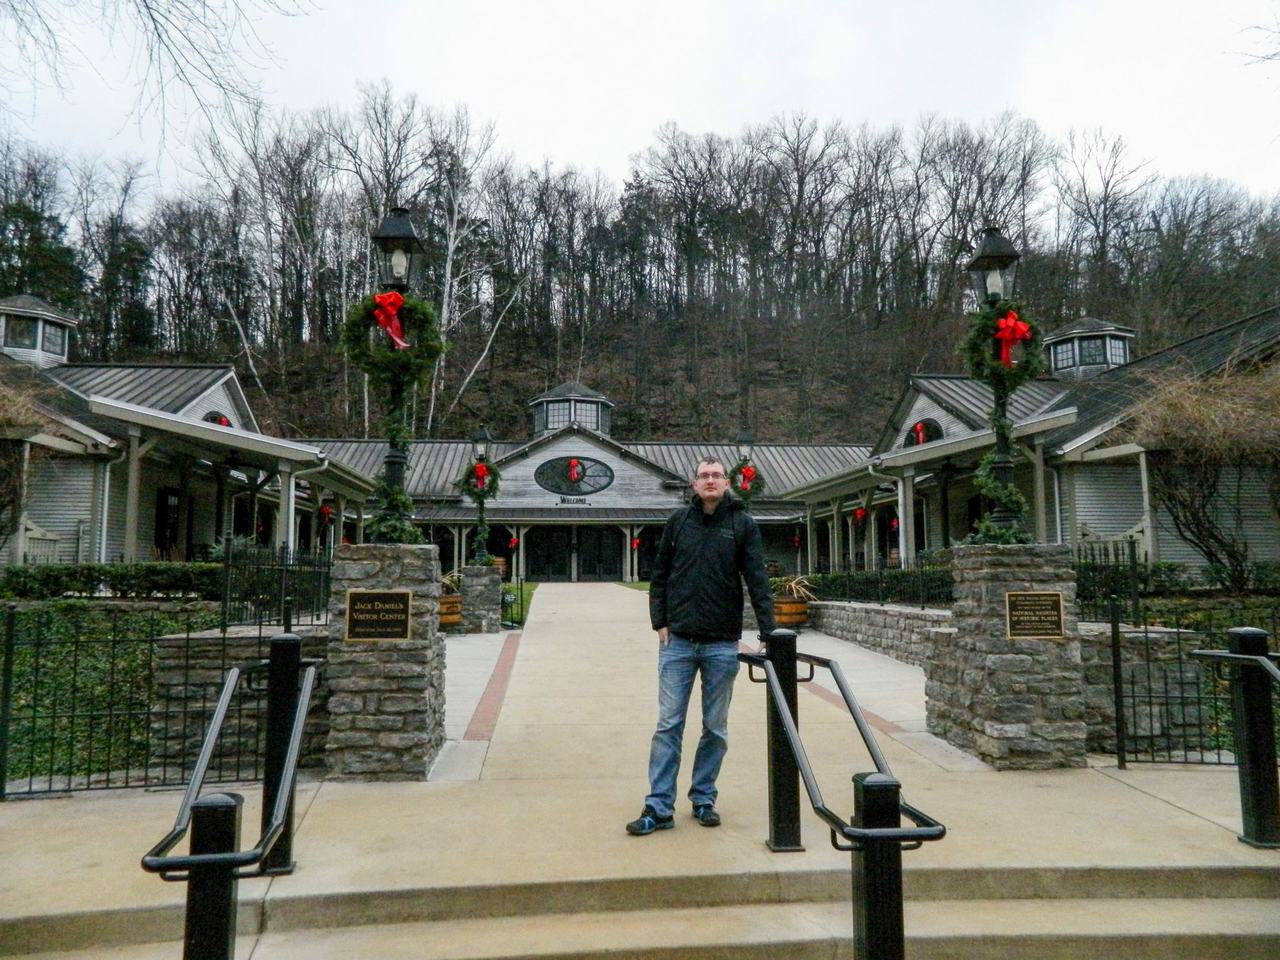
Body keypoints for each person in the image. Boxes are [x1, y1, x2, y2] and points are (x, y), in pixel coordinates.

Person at [626, 455, 775, 836]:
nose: (710, 480)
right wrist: (658, 621)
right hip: (677, 642)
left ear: (727, 483)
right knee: (668, 725)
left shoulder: (742, 524)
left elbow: (757, 579)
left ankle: (704, 798)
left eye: (716, 475)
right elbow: (658, 575)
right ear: (693, 485)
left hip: (721, 645)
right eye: (703, 476)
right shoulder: (678, 522)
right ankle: (658, 807)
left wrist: (767, 631)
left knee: (715, 727)